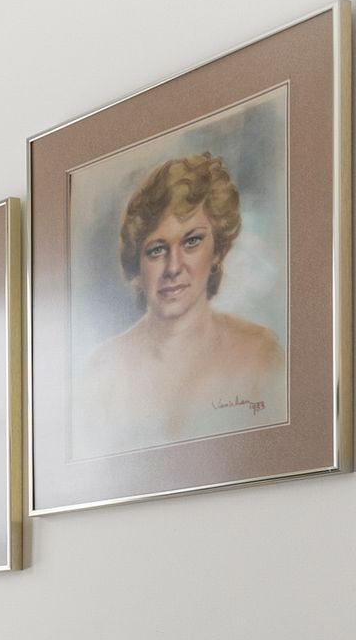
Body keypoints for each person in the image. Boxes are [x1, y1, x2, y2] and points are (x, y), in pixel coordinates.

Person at [74, 152, 285, 456]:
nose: (173, 267)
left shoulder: (260, 354)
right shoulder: (102, 372)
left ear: (217, 251)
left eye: (192, 242)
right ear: (137, 265)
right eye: (157, 249)